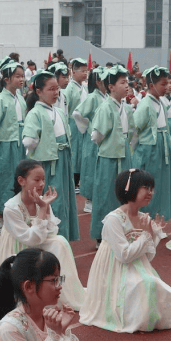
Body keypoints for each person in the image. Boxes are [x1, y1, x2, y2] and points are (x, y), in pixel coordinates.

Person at [80, 169, 171, 333]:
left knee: (166, 292)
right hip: (114, 270)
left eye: (151, 188)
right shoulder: (113, 220)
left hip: (137, 266)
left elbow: (149, 256)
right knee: (144, 286)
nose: (150, 192)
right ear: (128, 188)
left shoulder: (144, 217)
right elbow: (123, 256)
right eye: (145, 187)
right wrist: (145, 236)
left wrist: (152, 235)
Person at [0, 159, 86, 310]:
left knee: (60, 241)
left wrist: (45, 207)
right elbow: (31, 240)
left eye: (43, 179)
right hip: (19, 247)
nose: (42, 184)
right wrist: (43, 209)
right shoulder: (11, 208)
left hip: (37, 241)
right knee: (57, 241)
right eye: (36, 180)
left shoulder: (41, 201)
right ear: (21, 180)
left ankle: (62, 291)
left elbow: (52, 231)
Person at [23, 70, 79, 242]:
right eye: (51, 89)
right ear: (39, 91)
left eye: (57, 89)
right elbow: (28, 140)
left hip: (63, 161)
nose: (56, 93)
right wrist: (41, 147)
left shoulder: (60, 112)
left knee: (63, 199)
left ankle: (62, 238)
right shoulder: (35, 113)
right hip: (48, 164)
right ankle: (49, 239)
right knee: (51, 199)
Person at [88, 65, 133, 243]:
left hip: (124, 156)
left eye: (127, 82)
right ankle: (102, 236)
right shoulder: (105, 107)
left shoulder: (126, 107)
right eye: (122, 83)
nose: (126, 85)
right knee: (106, 196)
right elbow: (96, 135)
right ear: (111, 87)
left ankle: (122, 232)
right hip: (109, 158)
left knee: (125, 195)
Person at [132, 66, 171, 221]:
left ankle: (159, 217)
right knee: (149, 184)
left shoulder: (161, 103)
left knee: (162, 183)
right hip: (150, 150)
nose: (167, 88)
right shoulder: (145, 105)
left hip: (162, 148)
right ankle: (146, 218)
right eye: (163, 85)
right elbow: (135, 130)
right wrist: (136, 151)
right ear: (151, 86)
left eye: (167, 84)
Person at [0, 58, 26, 236]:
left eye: (22, 76)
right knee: (2, 180)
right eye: (17, 76)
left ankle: (15, 216)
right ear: (6, 79)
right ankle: (1, 219)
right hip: (4, 147)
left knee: (18, 180)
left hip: (18, 147)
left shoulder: (21, 99)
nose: (21, 79)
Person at [73, 67, 107, 214]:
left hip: (105, 139)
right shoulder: (93, 97)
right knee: (91, 168)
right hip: (93, 139)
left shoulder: (106, 97)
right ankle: (89, 200)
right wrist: (86, 127)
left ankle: (100, 197)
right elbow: (77, 113)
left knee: (102, 169)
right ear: (98, 82)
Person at [65, 58, 89, 192]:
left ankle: (79, 179)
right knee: (75, 151)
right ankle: (73, 179)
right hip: (73, 124)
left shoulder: (84, 87)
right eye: (82, 71)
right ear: (73, 72)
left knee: (82, 151)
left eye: (86, 71)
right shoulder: (70, 89)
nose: (85, 74)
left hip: (83, 124)